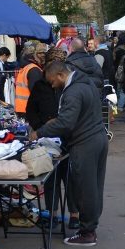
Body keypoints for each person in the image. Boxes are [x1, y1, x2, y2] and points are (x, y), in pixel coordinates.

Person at [29, 61, 108, 246]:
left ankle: (87, 232)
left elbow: (66, 123)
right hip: (97, 138)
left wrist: (39, 132)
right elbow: (76, 116)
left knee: (85, 188)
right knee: (94, 186)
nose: (52, 86)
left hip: (85, 143)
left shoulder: (72, 92)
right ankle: (90, 227)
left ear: (60, 75)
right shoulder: (86, 84)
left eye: (52, 81)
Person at [26, 48, 79, 230]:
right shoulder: (41, 86)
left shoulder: (71, 86)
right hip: (47, 138)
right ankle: (52, 214)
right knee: (50, 178)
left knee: (70, 178)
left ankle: (74, 214)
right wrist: (41, 125)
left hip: (67, 138)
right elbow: (30, 110)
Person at [15, 43, 48, 116]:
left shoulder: (26, 67)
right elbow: (37, 93)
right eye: (41, 53)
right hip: (30, 110)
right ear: (34, 54)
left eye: (44, 53)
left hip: (22, 108)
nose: (44, 55)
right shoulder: (34, 70)